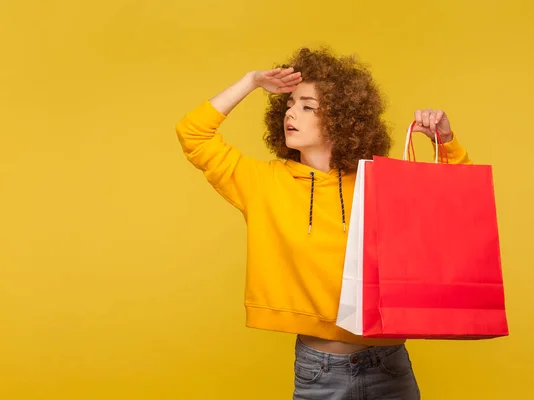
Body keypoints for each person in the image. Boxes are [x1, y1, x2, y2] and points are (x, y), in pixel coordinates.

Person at [175, 47, 471, 399]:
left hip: (390, 365)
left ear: (342, 119)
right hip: (320, 371)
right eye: (288, 105)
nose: (291, 114)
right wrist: (252, 82)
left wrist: (446, 141)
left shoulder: (378, 181)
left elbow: (458, 205)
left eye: (307, 106)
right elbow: (193, 133)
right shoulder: (262, 183)